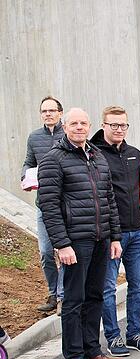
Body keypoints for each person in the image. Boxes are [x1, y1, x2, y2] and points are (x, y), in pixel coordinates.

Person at [38, 108, 124, 359]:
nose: (79, 127)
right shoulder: (54, 159)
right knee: (74, 300)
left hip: (100, 239)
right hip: (75, 242)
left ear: (89, 127)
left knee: (95, 296)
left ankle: (92, 351)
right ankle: (74, 358)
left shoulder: (97, 156)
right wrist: (62, 244)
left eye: (83, 123)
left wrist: (115, 237)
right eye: (73, 123)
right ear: (64, 126)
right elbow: (49, 206)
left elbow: (109, 200)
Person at [91, 106, 140, 356]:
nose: (119, 129)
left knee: (138, 285)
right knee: (108, 288)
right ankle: (113, 337)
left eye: (123, 125)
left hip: (136, 231)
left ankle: (134, 334)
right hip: (109, 234)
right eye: (114, 125)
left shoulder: (134, 154)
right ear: (104, 125)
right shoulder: (95, 154)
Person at [23, 96, 65, 314]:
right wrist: (26, 177)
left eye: (51, 110)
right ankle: (53, 293)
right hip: (43, 203)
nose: (47, 114)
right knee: (46, 252)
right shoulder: (34, 137)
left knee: (66, 250)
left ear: (60, 112)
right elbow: (29, 163)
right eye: (44, 111)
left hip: (66, 203)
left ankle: (63, 296)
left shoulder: (68, 135)